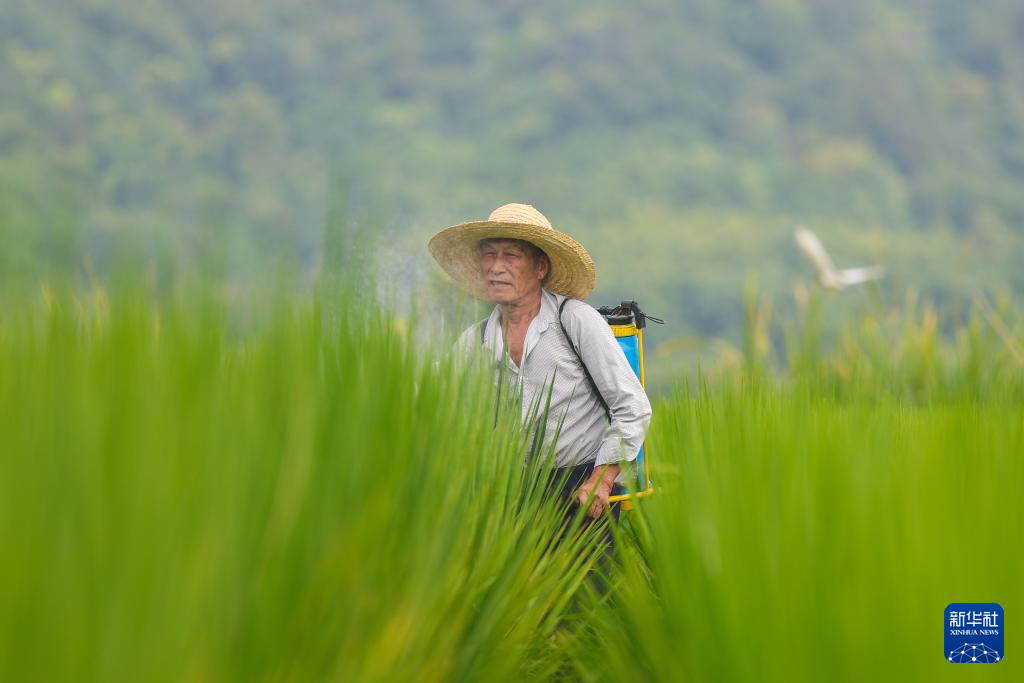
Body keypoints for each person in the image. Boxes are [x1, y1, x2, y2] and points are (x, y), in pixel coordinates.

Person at [428, 203, 652, 549]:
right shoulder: (474, 342)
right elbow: (431, 404)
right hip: (510, 493)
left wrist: (603, 479)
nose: (496, 267)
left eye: (511, 255)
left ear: (541, 267)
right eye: (489, 255)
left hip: (581, 489)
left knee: (584, 598)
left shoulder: (574, 321)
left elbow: (632, 405)